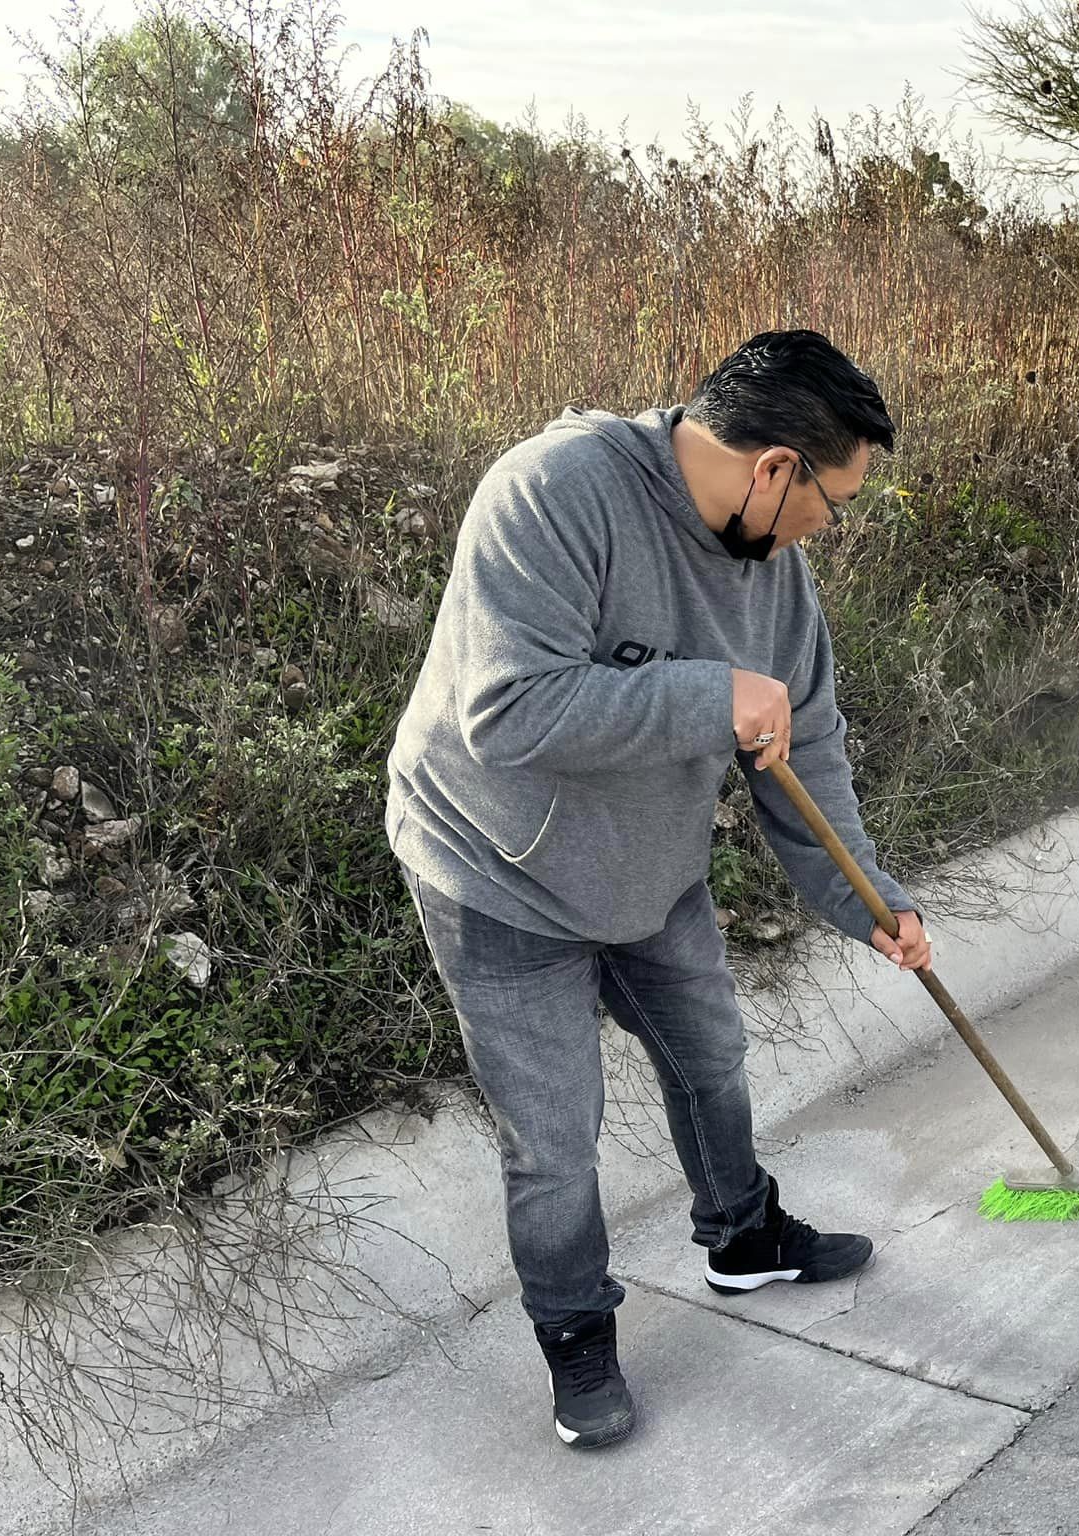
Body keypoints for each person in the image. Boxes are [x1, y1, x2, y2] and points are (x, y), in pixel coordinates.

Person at [386, 330, 932, 1451]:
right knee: (553, 1138)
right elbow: (507, 713)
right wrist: (708, 695)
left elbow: (804, 750)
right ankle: (576, 1335)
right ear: (773, 468)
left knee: (709, 1057)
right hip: (496, 870)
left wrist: (872, 904)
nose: (826, 527)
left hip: (651, 865)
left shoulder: (775, 582)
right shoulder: (553, 490)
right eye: (830, 499)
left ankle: (742, 1237)